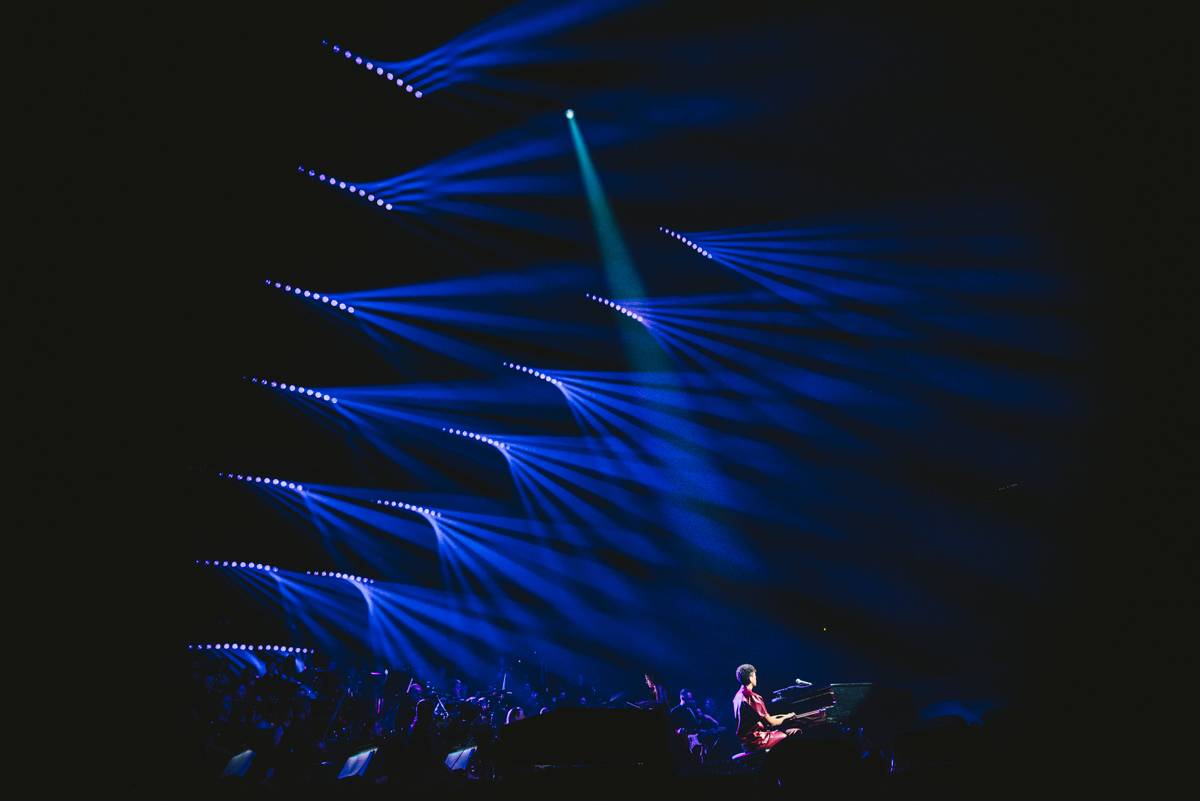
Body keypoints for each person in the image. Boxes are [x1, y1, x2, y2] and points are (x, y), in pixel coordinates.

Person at [732, 664, 799, 751]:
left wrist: (785, 716)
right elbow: (772, 723)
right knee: (794, 733)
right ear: (750, 677)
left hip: (746, 743)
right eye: (755, 675)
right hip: (757, 740)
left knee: (783, 731)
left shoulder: (737, 697)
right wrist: (788, 717)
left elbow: (761, 720)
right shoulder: (752, 697)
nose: (756, 678)